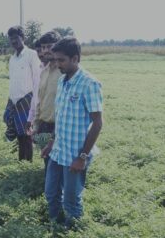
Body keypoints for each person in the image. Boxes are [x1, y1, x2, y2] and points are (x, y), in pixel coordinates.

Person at [41, 37, 103, 228]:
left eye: (61, 60)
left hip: (75, 155)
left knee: (71, 201)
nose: (57, 64)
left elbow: (97, 123)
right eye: (55, 59)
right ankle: (55, 226)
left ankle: (73, 229)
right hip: (58, 151)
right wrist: (51, 143)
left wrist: (82, 157)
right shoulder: (61, 81)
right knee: (51, 193)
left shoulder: (89, 83)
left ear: (75, 58)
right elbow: (60, 118)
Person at [26, 31, 62, 181]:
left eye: (49, 46)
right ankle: (49, 191)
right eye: (43, 47)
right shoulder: (44, 71)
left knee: (58, 164)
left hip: (59, 127)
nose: (45, 50)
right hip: (44, 125)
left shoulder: (64, 72)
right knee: (47, 159)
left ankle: (54, 194)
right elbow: (39, 100)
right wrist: (35, 125)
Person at [3, 25, 41, 161]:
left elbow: (37, 81)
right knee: (19, 136)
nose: (14, 41)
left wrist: (35, 104)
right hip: (14, 101)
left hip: (27, 100)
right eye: (11, 39)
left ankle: (28, 163)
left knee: (27, 134)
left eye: (16, 38)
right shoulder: (12, 59)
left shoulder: (32, 55)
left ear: (23, 38)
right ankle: (21, 161)